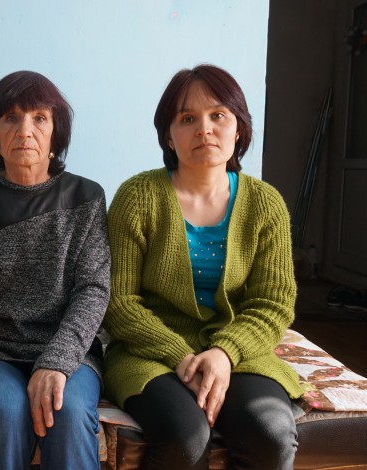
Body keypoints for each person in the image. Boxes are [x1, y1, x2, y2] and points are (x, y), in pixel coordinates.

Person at [103, 64, 304, 470]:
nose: (204, 129)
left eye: (218, 116)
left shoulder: (265, 204)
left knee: (270, 435)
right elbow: (118, 301)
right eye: (187, 119)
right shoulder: (137, 197)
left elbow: (273, 303)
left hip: (239, 353)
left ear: (239, 129)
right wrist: (179, 354)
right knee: (185, 437)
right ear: (168, 136)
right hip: (150, 351)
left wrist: (224, 353)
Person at [0, 71, 110, 470]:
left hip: (70, 350)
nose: (25, 131)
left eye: (39, 119)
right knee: (5, 411)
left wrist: (57, 362)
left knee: (67, 412)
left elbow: (94, 289)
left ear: (55, 134)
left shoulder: (86, 197)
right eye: (11, 118)